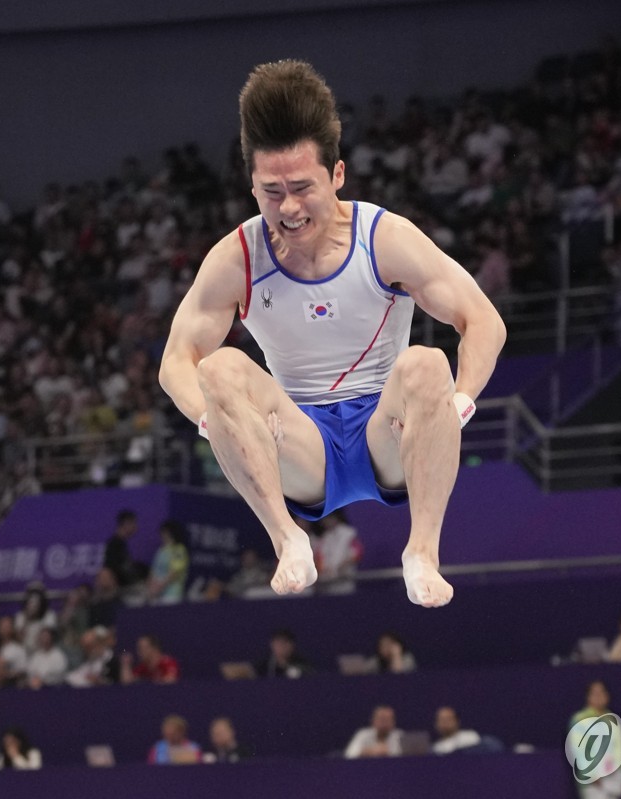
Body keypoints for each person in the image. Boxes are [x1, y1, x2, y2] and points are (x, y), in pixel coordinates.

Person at [158, 60, 506, 608]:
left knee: (427, 364)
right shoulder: (237, 258)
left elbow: (483, 320)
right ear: (251, 185)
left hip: (387, 435)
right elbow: (176, 359)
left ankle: (422, 552)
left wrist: (457, 404)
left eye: (303, 187)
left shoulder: (384, 239)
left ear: (337, 175)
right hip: (298, 447)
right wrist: (218, 424)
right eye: (271, 192)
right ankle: (286, 538)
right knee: (217, 369)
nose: (289, 208)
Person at [569, 681, 621, 799]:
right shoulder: (580, 719)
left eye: (602, 692)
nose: (599, 696)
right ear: (588, 697)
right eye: (595, 693)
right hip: (593, 782)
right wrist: (593, 775)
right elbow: (578, 750)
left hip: (614, 778)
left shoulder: (612, 718)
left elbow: (619, 749)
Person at [146, 521, 190, 604]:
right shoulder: (160, 550)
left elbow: (175, 572)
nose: (162, 534)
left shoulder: (179, 550)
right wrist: (150, 587)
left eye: (165, 531)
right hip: (155, 594)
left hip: (171, 594)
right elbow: (153, 571)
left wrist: (159, 586)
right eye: (162, 531)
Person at [103, 509, 147, 589]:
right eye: (134, 523)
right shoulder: (114, 544)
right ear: (126, 523)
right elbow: (108, 570)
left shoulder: (121, 544)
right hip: (119, 593)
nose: (136, 527)